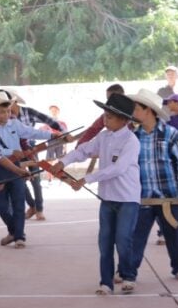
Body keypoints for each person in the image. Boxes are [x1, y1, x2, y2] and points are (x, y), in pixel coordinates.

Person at [52, 93, 141, 295]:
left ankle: (128, 276)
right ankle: (106, 282)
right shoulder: (103, 137)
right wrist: (63, 162)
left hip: (127, 199)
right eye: (105, 115)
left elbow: (118, 169)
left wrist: (87, 179)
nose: (104, 119)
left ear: (124, 120)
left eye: (109, 117)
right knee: (105, 240)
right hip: (107, 198)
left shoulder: (131, 141)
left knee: (123, 238)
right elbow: (82, 151)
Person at [123, 89, 178, 283]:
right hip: (141, 197)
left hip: (170, 196)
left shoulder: (172, 135)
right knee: (134, 237)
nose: (133, 112)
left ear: (149, 110)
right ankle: (128, 271)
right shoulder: (131, 137)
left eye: (136, 108)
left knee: (176, 234)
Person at [0, 95, 52, 248]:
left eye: (7, 111)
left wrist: (51, 135)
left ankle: (19, 237)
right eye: (1, 112)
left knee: (19, 203)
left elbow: (32, 132)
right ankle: (14, 231)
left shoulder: (15, 124)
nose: (6, 115)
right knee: (0, 205)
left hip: (17, 167)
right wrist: (11, 151)